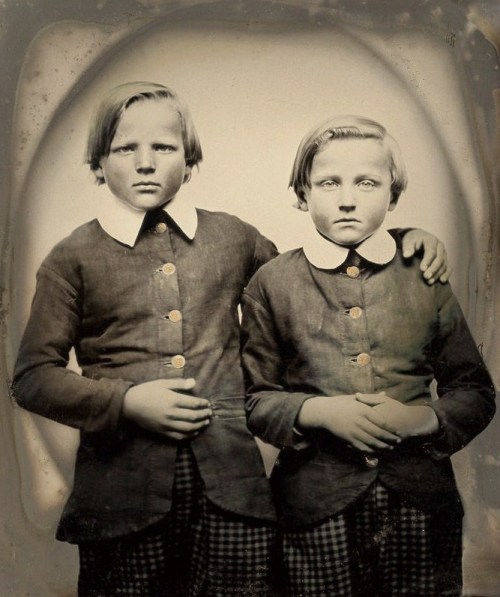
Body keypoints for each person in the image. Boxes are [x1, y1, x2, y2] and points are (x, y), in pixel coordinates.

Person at [13, 85, 450, 597]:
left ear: (190, 159)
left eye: (164, 148)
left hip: (234, 494)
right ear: (97, 162)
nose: (146, 163)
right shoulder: (72, 257)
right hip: (122, 499)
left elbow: (313, 282)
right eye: (125, 149)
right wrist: (126, 401)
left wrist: (399, 244)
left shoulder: (234, 237)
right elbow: (32, 379)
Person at [241, 115, 495, 597]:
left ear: (393, 198)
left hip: (419, 502)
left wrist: (418, 420)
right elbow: (254, 401)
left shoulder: (423, 271)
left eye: (368, 182)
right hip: (314, 508)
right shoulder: (272, 283)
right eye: (329, 182)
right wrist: (319, 411)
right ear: (302, 194)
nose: (348, 198)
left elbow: (476, 392)